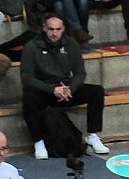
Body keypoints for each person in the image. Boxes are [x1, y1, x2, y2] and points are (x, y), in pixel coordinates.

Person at [20, 13, 110, 159]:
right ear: (44, 28)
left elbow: (80, 72)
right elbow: (27, 78)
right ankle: (38, 141)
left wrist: (71, 88)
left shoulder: (70, 44)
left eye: (58, 29)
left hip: (66, 89)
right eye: (51, 29)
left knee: (96, 91)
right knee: (29, 96)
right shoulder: (32, 47)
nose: (54, 33)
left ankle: (93, 135)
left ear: (63, 29)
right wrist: (52, 89)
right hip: (44, 90)